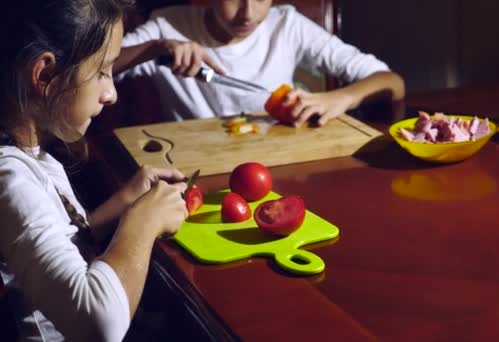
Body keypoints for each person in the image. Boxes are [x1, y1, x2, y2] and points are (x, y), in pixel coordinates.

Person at [0, 0, 189, 340]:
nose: (111, 93)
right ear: (45, 74)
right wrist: (142, 223)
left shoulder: (30, 157)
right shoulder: (11, 180)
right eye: (102, 72)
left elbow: (50, 244)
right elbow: (99, 324)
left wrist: (127, 200)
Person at [114, 0, 405, 126]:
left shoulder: (288, 24)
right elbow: (91, 69)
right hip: (195, 166)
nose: (248, 14)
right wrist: (155, 48)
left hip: (279, 161)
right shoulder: (168, 24)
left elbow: (393, 82)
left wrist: (338, 99)